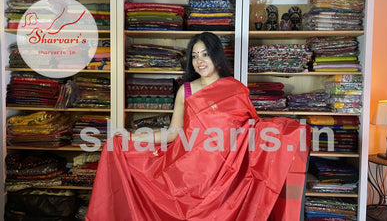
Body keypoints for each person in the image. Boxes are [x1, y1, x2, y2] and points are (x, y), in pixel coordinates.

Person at [86, 32, 310, 221]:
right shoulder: (186, 90)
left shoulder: (235, 89)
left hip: (224, 177)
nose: (199, 60)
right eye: (194, 56)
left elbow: (253, 129)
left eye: (205, 54)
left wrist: (287, 132)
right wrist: (131, 137)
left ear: (217, 56)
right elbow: (174, 133)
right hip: (187, 173)